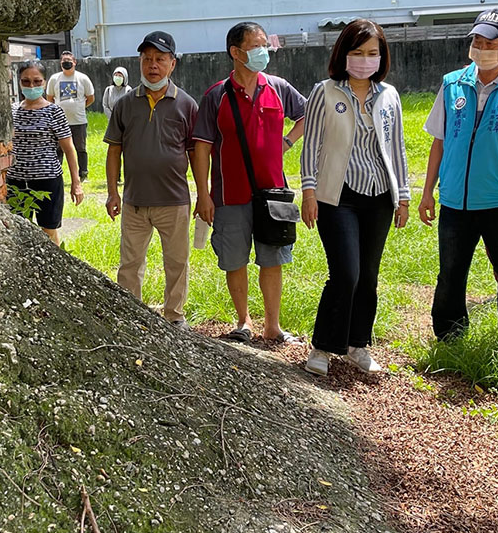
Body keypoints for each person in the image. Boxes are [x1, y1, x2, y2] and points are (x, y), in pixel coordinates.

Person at [418, 9, 498, 353]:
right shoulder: (453, 84)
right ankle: (449, 337)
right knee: (450, 273)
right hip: (455, 200)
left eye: (489, 41)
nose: (481, 46)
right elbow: (440, 141)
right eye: (477, 40)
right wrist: (427, 192)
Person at [300, 20, 411, 376]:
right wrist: (308, 190)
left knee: (368, 276)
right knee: (345, 273)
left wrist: (403, 196)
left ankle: (357, 345)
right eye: (358, 52)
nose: (365, 59)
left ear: (382, 57)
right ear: (343, 54)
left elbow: (397, 148)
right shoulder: (326, 92)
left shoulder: (389, 95)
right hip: (338, 195)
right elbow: (311, 144)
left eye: (372, 53)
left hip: (379, 196)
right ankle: (322, 347)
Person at [194, 22, 306, 343]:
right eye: (256, 46)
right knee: (235, 259)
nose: (264, 52)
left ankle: (273, 326)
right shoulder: (216, 96)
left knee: (273, 259)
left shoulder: (279, 88)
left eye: (264, 46)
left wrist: (287, 142)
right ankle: (243, 322)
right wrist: (203, 194)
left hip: (274, 192)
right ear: (236, 52)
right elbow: (201, 147)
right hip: (230, 195)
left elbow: (306, 114)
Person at [103, 31, 199, 327]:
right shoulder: (125, 104)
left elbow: (196, 153)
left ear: (172, 64)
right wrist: (112, 192)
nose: (152, 65)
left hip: (174, 200)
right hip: (134, 201)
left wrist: (205, 194)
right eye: (146, 59)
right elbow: (113, 150)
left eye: (159, 59)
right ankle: (131, 316)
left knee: (176, 263)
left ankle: (174, 317)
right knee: (130, 264)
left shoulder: (186, 104)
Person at [8, 60, 84, 245]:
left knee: (49, 231)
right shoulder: (12, 111)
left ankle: (52, 271)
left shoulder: (54, 111)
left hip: (47, 180)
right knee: (18, 231)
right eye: (26, 81)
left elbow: (69, 148)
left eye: (36, 81)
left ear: (44, 82)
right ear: (19, 82)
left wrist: (76, 183)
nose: (31, 86)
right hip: (16, 181)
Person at [46, 51, 94, 180]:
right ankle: (57, 174)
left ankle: (83, 173)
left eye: (69, 60)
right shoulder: (54, 78)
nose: (66, 63)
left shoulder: (83, 78)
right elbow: (49, 98)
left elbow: (90, 98)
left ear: (74, 62)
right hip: (59, 122)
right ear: (60, 63)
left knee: (81, 148)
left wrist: (79, 107)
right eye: (64, 61)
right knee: (58, 149)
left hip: (79, 121)